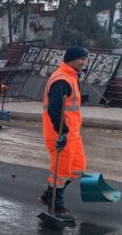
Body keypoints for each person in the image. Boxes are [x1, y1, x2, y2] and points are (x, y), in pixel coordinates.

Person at [38, 47, 89, 221]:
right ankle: (56, 206)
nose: (83, 62)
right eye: (80, 59)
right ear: (70, 59)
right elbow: (54, 108)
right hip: (60, 133)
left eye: (85, 59)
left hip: (73, 133)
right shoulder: (62, 79)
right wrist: (63, 132)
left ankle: (48, 195)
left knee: (77, 169)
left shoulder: (71, 77)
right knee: (60, 172)